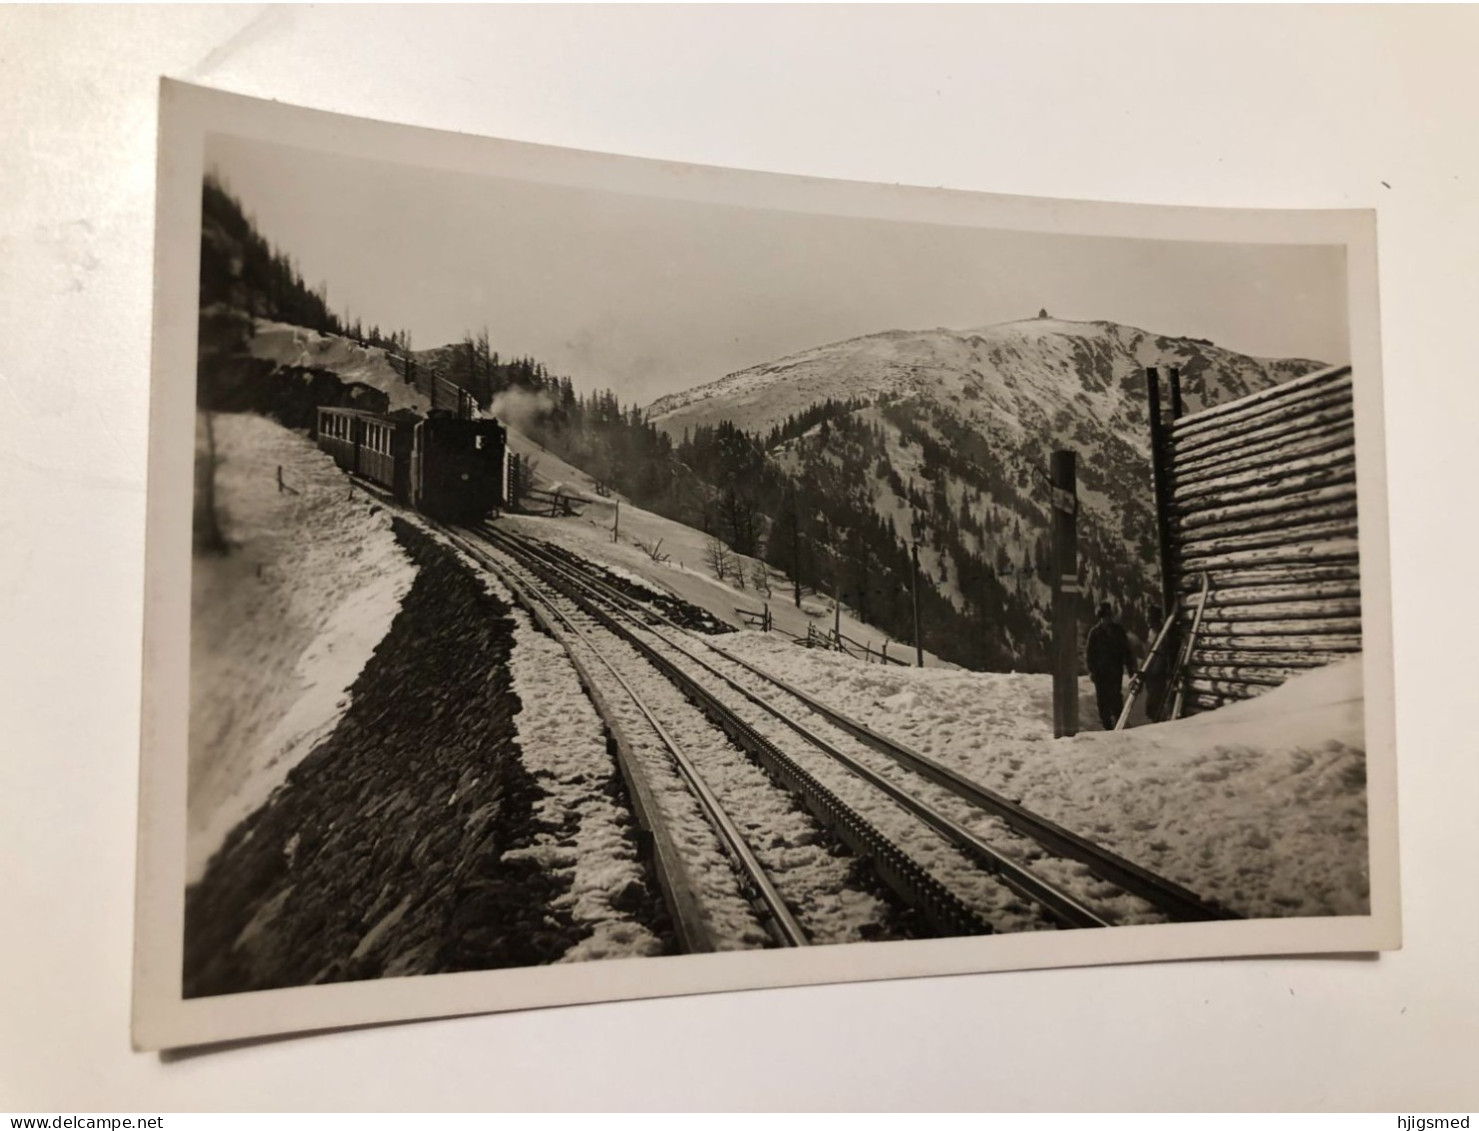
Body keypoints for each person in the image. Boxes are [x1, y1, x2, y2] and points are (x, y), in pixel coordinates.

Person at [1085, 601, 1135, 730]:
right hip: (1101, 674)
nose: (1106, 619)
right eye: (1104, 616)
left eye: (1108, 616)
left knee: (1116, 700)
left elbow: (1126, 651)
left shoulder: (1118, 631)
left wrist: (1131, 671)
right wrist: (1091, 671)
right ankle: (1107, 727)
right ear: (1100, 617)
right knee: (1102, 702)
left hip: (1115, 672)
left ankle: (1119, 725)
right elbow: (1089, 654)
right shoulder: (1094, 633)